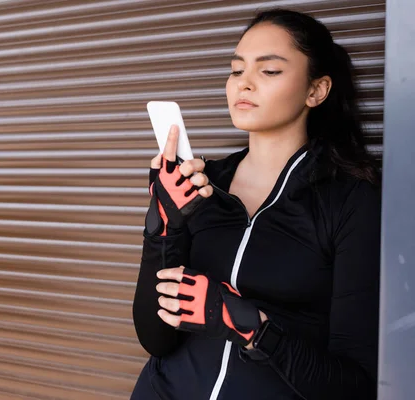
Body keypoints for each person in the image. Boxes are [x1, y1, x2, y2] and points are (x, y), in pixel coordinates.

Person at [131, 8, 381, 400]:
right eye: (236, 70)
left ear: (316, 90)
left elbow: (355, 386)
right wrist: (164, 225)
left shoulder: (351, 200)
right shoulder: (201, 183)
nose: (243, 85)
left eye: (269, 71)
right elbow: (156, 339)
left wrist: (251, 327)